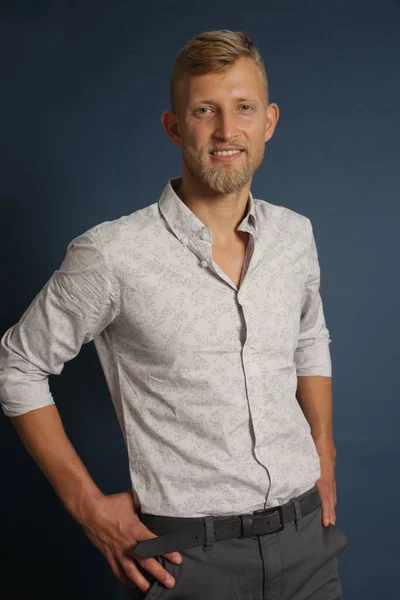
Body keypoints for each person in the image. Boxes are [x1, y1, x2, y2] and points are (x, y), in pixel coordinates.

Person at [0, 29, 348, 599]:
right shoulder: (112, 254)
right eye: (205, 110)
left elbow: (309, 338)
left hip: (309, 543)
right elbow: (16, 366)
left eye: (243, 108)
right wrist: (88, 508)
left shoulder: (295, 235)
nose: (227, 131)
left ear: (270, 121)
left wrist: (324, 449)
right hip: (190, 562)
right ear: (174, 125)